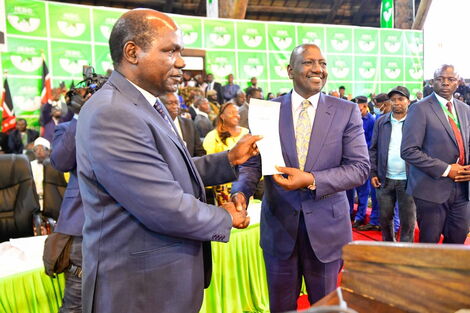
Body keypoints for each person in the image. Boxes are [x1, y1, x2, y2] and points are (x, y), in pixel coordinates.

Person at [75, 9, 260, 313]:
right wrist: (226, 217)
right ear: (132, 52)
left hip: (159, 285)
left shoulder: (144, 105)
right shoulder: (113, 113)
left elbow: (170, 171)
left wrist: (228, 159)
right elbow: (163, 206)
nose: (182, 62)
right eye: (170, 51)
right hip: (140, 292)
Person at [231, 43, 370, 311]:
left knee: (325, 307)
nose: (318, 69)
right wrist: (241, 192)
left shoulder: (345, 111)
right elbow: (251, 163)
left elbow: (359, 168)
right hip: (279, 229)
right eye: (308, 62)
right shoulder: (266, 110)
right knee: (281, 307)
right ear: (290, 70)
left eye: (323, 63)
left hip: (327, 232)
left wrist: (309, 179)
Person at [401, 64, 470, 244]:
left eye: (450, 79)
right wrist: (447, 169)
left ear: (458, 82)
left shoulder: (465, 109)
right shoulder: (420, 108)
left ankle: (449, 274)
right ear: (432, 82)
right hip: (431, 189)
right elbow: (408, 151)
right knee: (429, 246)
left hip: (462, 189)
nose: (445, 83)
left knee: (457, 242)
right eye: (440, 79)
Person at [50, 85, 89, 313]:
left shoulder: (118, 126)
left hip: (124, 226)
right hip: (82, 229)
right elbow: (61, 162)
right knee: (76, 304)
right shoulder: (67, 128)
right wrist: (81, 116)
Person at [369, 86, 416, 242]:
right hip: (384, 179)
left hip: (408, 181)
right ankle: (388, 249)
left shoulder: (416, 122)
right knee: (385, 218)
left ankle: (404, 254)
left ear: (408, 101)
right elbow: (373, 148)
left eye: (401, 99)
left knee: (408, 221)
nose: (397, 103)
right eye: (393, 100)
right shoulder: (381, 122)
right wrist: (373, 173)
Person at [203, 103, 249, 205]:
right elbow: (210, 163)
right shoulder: (212, 136)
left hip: (244, 183)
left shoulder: (246, 132)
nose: (236, 115)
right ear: (222, 116)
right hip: (223, 187)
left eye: (237, 112)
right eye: (231, 113)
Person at [350, 96, 380, 231]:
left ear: (365, 106)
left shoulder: (372, 121)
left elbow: (373, 143)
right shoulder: (352, 119)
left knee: (363, 191)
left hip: (364, 160)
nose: (357, 111)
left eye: (359, 108)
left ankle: (360, 217)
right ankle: (350, 213)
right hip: (350, 160)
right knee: (349, 190)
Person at [160, 92, 206, 157]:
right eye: (170, 103)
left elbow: (199, 151)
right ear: (160, 105)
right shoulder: (157, 125)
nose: (175, 106)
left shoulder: (189, 124)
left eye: (177, 103)